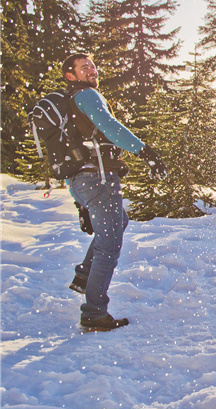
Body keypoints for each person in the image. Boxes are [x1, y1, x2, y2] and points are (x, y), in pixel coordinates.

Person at [61, 53, 168, 332]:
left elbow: (75, 153)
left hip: (83, 180)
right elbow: (109, 126)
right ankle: (94, 313)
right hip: (97, 179)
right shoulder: (87, 95)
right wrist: (145, 151)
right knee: (109, 247)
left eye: (93, 66)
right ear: (71, 75)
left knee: (119, 221)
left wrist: (82, 204)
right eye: (84, 68)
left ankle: (85, 274)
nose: (92, 70)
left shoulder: (72, 102)